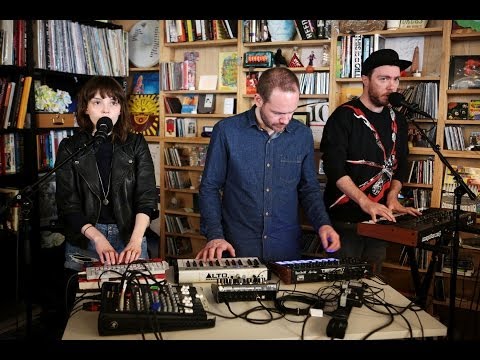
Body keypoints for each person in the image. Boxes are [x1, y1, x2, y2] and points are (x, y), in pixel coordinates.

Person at [195, 67, 340, 262]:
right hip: (237, 245)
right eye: (278, 112)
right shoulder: (227, 131)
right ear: (258, 100)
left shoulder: (301, 135)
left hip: (285, 247)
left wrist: (323, 224)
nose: (286, 120)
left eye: (291, 112)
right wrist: (215, 235)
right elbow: (209, 187)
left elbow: (309, 189)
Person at [320, 49, 422, 272]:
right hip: (345, 220)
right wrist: (365, 202)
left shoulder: (399, 120)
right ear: (365, 80)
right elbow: (334, 168)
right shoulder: (343, 117)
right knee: (342, 285)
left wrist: (393, 198)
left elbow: (400, 164)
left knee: (372, 283)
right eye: (383, 79)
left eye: (395, 79)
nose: (391, 86)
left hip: (379, 220)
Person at [55, 76, 158, 273]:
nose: (106, 109)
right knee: (84, 300)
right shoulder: (70, 147)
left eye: (114, 102)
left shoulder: (136, 144)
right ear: (85, 108)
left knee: (133, 298)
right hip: (85, 239)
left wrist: (136, 240)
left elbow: (147, 196)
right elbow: (68, 204)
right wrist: (98, 238)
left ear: (120, 109)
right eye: (97, 102)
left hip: (130, 235)